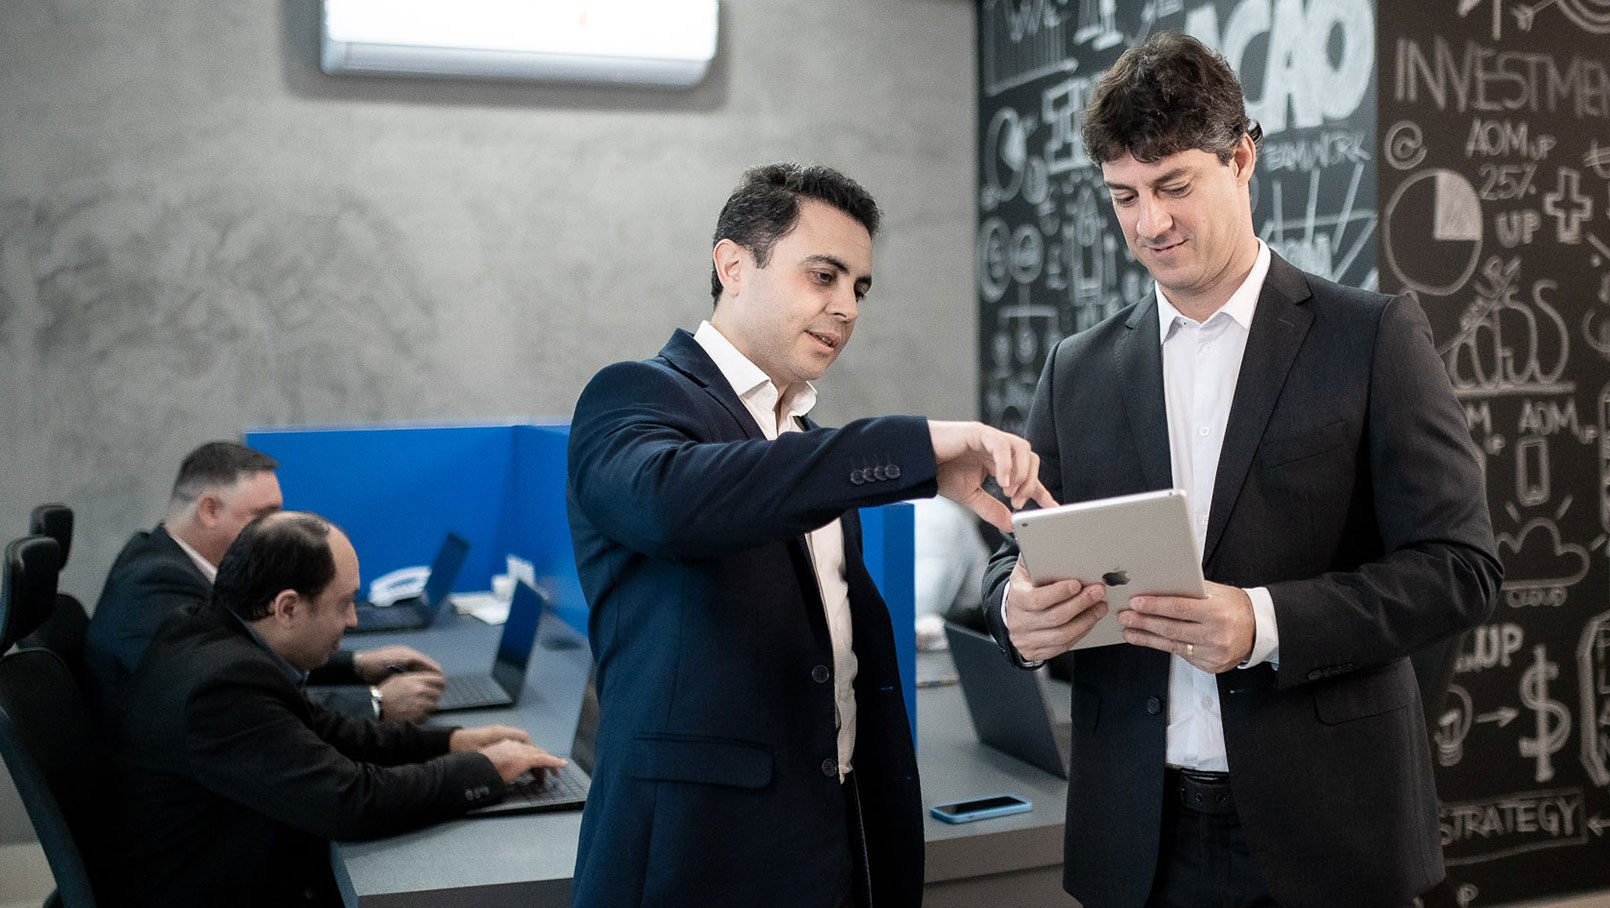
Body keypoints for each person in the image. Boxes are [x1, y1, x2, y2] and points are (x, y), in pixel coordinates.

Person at [982, 33, 1502, 908]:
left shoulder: (1369, 338)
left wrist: (1261, 622)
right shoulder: (1077, 367)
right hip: (1137, 837)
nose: (1150, 223)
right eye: (1125, 197)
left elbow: (1462, 569)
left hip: (1331, 830)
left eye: (1174, 186)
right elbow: (1019, 549)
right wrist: (1014, 610)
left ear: (1242, 157)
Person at [566, 162, 1053, 908]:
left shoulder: (809, 448)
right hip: (691, 864)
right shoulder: (633, 396)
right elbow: (675, 503)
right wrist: (914, 450)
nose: (846, 307)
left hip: (831, 851)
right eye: (822, 275)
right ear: (733, 265)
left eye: (858, 288)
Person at [111, 511, 566, 907]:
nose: (352, 621)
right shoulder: (223, 687)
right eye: (343, 603)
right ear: (287, 607)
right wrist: (485, 770)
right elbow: (352, 801)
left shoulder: (209, 633)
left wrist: (452, 741)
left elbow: (327, 730)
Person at [84, 441, 446, 722]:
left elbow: (258, 656)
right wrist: (376, 703)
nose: (274, 530)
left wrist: (355, 664)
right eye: (262, 517)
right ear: (210, 510)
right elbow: (244, 698)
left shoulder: (168, 561)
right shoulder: (156, 583)